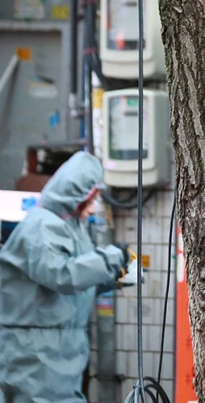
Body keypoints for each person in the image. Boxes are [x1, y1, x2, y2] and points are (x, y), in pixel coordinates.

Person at [0, 151, 128, 403]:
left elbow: (81, 280)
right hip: (32, 352)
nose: (91, 208)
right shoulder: (41, 226)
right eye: (89, 200)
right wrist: (110, 259)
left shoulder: (72, 228)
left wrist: (121, 275)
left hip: (63, 350)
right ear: (74, 196)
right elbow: (61, 275)